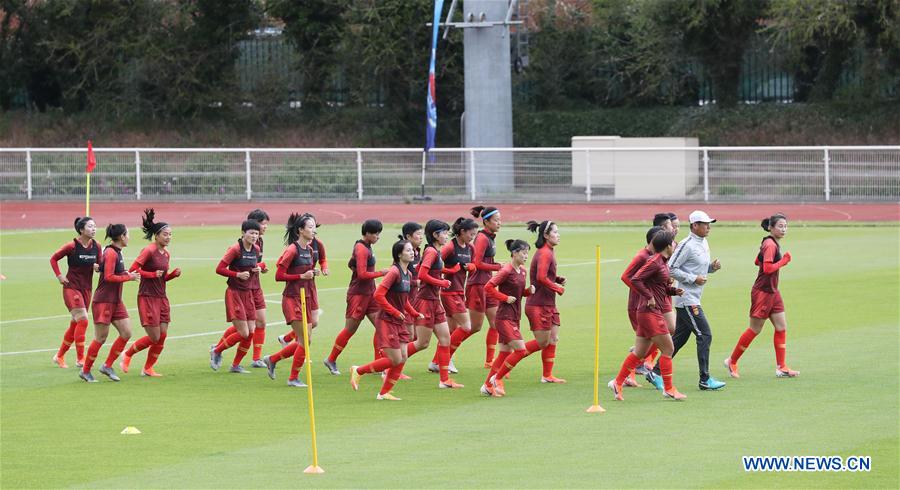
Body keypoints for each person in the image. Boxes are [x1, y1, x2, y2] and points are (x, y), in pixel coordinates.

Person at [648, 210, 726, 391]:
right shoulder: (687, 245)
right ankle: (704, 379)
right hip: (686, 298)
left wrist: (711, 268)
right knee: (704, 335)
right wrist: (693, 279)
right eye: (705, 224)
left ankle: (655, 372)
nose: (708, 227)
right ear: (694, 226)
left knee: (679, 339)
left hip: (694, 297)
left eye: (709, 224)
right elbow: (670, 268)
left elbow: (697, 268)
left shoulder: (703, 242)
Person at [609, 230, 686, 400]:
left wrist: (673, 291)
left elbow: (658, 287)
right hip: (650, 312)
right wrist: (649, 297)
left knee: (639, 352)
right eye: (674, 243)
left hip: (647, 312)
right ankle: (669, 389)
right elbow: (635, 279)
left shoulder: (662, 262)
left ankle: (617, 382)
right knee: (668, 349)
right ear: (668, 246)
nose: (675, 245)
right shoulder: (654, 262)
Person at [725, 213, 799, 378]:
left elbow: (757, 261)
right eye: (780, 226)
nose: (784, 229)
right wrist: (784, 261)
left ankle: (781, 367)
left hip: (773, 291)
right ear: (771, 227)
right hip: (763, 292)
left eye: (785, 226)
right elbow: (767, 268)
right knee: (755, 329)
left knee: (781, 327)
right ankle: (732, 361)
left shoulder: (769, 243)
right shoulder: (770, 244)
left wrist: (773, 259)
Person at [349, 240, 423, 400]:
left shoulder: (408, 274)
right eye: (408, 250)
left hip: (398, 321)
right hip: (387, 320)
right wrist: (395, 312)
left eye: (412, 250)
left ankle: (383, 393)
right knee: (395, 359)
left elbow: (404, 299)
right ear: (399, 254)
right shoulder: (394, 272)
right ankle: (358, 370)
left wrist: (414, 313)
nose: (412, 252)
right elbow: (378, 295)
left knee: (403, 357)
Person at [262, 213, 323, 387]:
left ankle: (273, 359)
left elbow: (306, 272)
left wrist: (313, 273)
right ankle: (292, 378)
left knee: (306, 340)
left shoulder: (309, 250)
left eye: (314, 227)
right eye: (310, 227)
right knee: (305, 340)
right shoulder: (292, 250)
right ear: (300, 230)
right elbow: (279, 275)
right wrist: (301, 276)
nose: (313, 230)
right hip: (292, 298)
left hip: (306, 298)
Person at [120, 209, 181, 377]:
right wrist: (151, 274)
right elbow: (133, 270)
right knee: (154, 336)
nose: (168, 237)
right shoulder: (149, 250)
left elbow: (161, 278)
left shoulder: (166, 254)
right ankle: (127, 354)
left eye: (170, 234)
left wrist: (171, 275)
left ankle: (148, 368)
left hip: (162, 297)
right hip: (147, 297)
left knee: (162, 335)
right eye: (165, 234)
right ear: (156, 235)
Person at [323, 219, 388, 375]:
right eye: (376, 234)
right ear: (367, 233)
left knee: (382, 326)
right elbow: (362, 274)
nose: (378, 237)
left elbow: (350, 264)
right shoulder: (361, 249)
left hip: (370, 294)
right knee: (350, 329)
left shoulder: (366, 246)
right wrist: (381, 273)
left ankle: (378, 364)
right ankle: (331, 359)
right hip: (358, 295)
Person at [80, 224, 140, 382]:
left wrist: (127, 273)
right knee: (101, 337)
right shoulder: (111, 253)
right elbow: (109, 277)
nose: (129, 237)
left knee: (126, 333)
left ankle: (107, 366)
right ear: (121, 236)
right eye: (128, 234)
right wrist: (129, 277)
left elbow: (108, 269)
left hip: (116, 301)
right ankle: (85, 370)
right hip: (104, 301)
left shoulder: (116, 252)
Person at [408, 220, 463, 388]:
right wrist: (441, 282)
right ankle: (389, 364)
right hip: (425, 301)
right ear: (435, 235)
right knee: (422, 343)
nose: (447, 235)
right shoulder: (431, 252)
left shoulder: (435, 251)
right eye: (444, 233)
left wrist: (447, 272)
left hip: (435, 301)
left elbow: (428, 269)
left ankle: (444, 380)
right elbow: (422, 274)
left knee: (445, 339)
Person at [216, 209, 271, 368]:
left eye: (265, 225)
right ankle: (218, 349)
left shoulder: (259, 243)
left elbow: (255, 264)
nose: (264, 227)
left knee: (259, 322)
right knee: (244, 328)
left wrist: (261, 267)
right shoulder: (238, 247)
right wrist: (239, 274)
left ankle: (255, 358)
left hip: (255, 286)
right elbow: (222, 267)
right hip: (242, 288)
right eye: (262, 224)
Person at [481, 239, 534, 397]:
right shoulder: (506, 270)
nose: (526, 256)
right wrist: (504, 298)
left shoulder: (522, 271)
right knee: (520, 350)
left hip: (515, 316)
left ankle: (486, 386)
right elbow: (488, 287)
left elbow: (518, 293)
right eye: (523, 253)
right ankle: (497, 379)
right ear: (515, 253)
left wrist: (527, 291)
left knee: (504, 353)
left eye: (527, 253)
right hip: (504, 317)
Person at [427, 217, 478, 374]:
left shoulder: (470, 247)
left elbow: (474, 265)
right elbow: (434, 266)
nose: (473, 237)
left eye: (475, 234)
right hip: (449, 292)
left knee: (451, 330)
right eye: (471, 234)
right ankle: (446, 359)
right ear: (462, 232)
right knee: (466, 327)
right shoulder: (449, 247)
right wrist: (450, 271)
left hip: (460, 291)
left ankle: (436, 362)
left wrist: (471, 267)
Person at [50, 216, 101, 369]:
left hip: (87, 289)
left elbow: (100, 264)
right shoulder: (71, 246)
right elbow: (53, 259)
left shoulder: (97, 246)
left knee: (75, 324)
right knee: (83, 320)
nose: (94, 229)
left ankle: (59, 356)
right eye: (90, 226)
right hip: (71, 287)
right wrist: (59, 276)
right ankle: (80, 359)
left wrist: (98, 267)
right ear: (81, 230)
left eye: (94, 226)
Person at [619, 225, 664, 387]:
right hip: (637, 305)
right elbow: (625, 276)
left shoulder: (654, 257)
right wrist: (645, 293)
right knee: (647, 341)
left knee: (653, 339)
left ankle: (631, 371)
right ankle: (629, 374)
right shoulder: (642, 256)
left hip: (646, 305)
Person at [524, 220, 567, 383]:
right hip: (538, 304)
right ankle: (506, 362)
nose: (558, 235)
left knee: (553, 338)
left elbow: (544, 275)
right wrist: (557, 287)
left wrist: (556, 278)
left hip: (548, 303)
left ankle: (547, 376)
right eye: (555, 232)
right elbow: (541, 277)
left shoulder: (549, 251)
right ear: (546, 235)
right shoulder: (545, 253)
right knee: (542, 342)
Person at [467, 206, 503, 368]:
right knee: (474, 327)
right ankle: (442, 355)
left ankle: (489, 361)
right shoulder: (482, 238)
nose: (499, 223)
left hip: (488, 285)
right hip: (477, 285)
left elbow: (487, 261)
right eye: (496, 220)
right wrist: (498, 267)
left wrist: (497, 265)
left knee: (496, 323)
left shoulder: (490, 237)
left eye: (500, 220)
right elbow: (477, 263)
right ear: (486, 222)